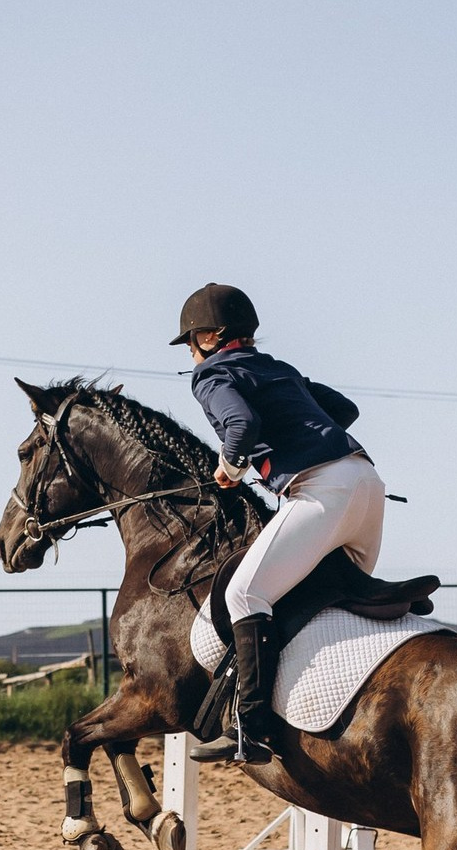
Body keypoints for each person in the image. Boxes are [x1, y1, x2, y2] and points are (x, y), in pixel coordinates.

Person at [171, 283, 388, 764]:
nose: (190, 349)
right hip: (368, 485)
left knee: (244, 595)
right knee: (331, 603)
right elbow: (345, 411)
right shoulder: (278, 369)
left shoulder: (211, 373)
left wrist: (229, 469)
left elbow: (241, 426)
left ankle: (253, 729)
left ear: (209, 336)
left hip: (321, 489)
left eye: (191, 339)